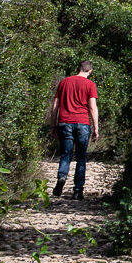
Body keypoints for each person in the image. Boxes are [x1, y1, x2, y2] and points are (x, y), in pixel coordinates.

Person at [52, 60, 99, 200]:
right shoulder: (90, 84)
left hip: (64, 122)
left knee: (66, 154)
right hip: (82, 123)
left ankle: (62, 177)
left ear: (78, 68)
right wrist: (96, 127)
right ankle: (78, 190)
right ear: (90, 71)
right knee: (81, 158)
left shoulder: (64, 82)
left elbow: (55, 105)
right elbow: (92, 107)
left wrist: (53, 125)